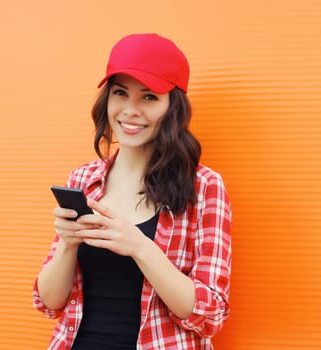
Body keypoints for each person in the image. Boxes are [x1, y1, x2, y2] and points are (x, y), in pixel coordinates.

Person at [33, 33, 232, 350]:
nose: (130, 110)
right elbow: (50, 304)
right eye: (120, 93)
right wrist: (67, 245)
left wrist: (140, 246)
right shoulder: (83, 179)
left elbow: (209, 315)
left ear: (173, 107)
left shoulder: (204, 187)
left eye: (149, 97)